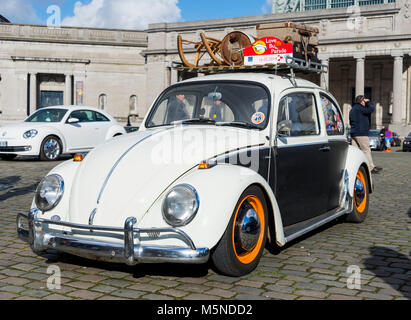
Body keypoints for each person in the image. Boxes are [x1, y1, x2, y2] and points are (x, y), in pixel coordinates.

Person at [349, 95, 382, 174]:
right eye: (364, 101)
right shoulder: (360, 108)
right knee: (366, 150)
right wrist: (369, 102)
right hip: (361, 133)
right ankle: (371, 168)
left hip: (354, 133)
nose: (365, 102)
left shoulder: (352, 109)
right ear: (362, 101)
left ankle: (354, 167)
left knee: (355, 151)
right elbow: (371, 109)